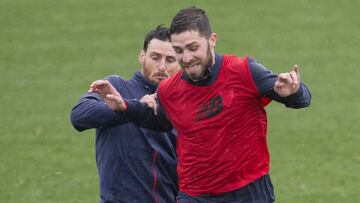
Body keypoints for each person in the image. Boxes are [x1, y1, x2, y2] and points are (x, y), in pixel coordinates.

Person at [92, 6, 312, 203]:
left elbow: (302, 100)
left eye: (192, 47)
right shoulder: (169, 90)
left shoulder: (244, 71)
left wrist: (294, 91)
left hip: (249, 190)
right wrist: (125, 107)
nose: (186, 58)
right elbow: (161, 120)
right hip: (195, 194)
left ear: (212, 40)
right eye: (178, 50)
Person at [70, 25, 180, 203]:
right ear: (142, 56)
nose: (162, 66)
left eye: (170, 60)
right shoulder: (117, 88)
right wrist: (128, 107)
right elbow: (79, 116)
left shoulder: (184, 105)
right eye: (155, 57)